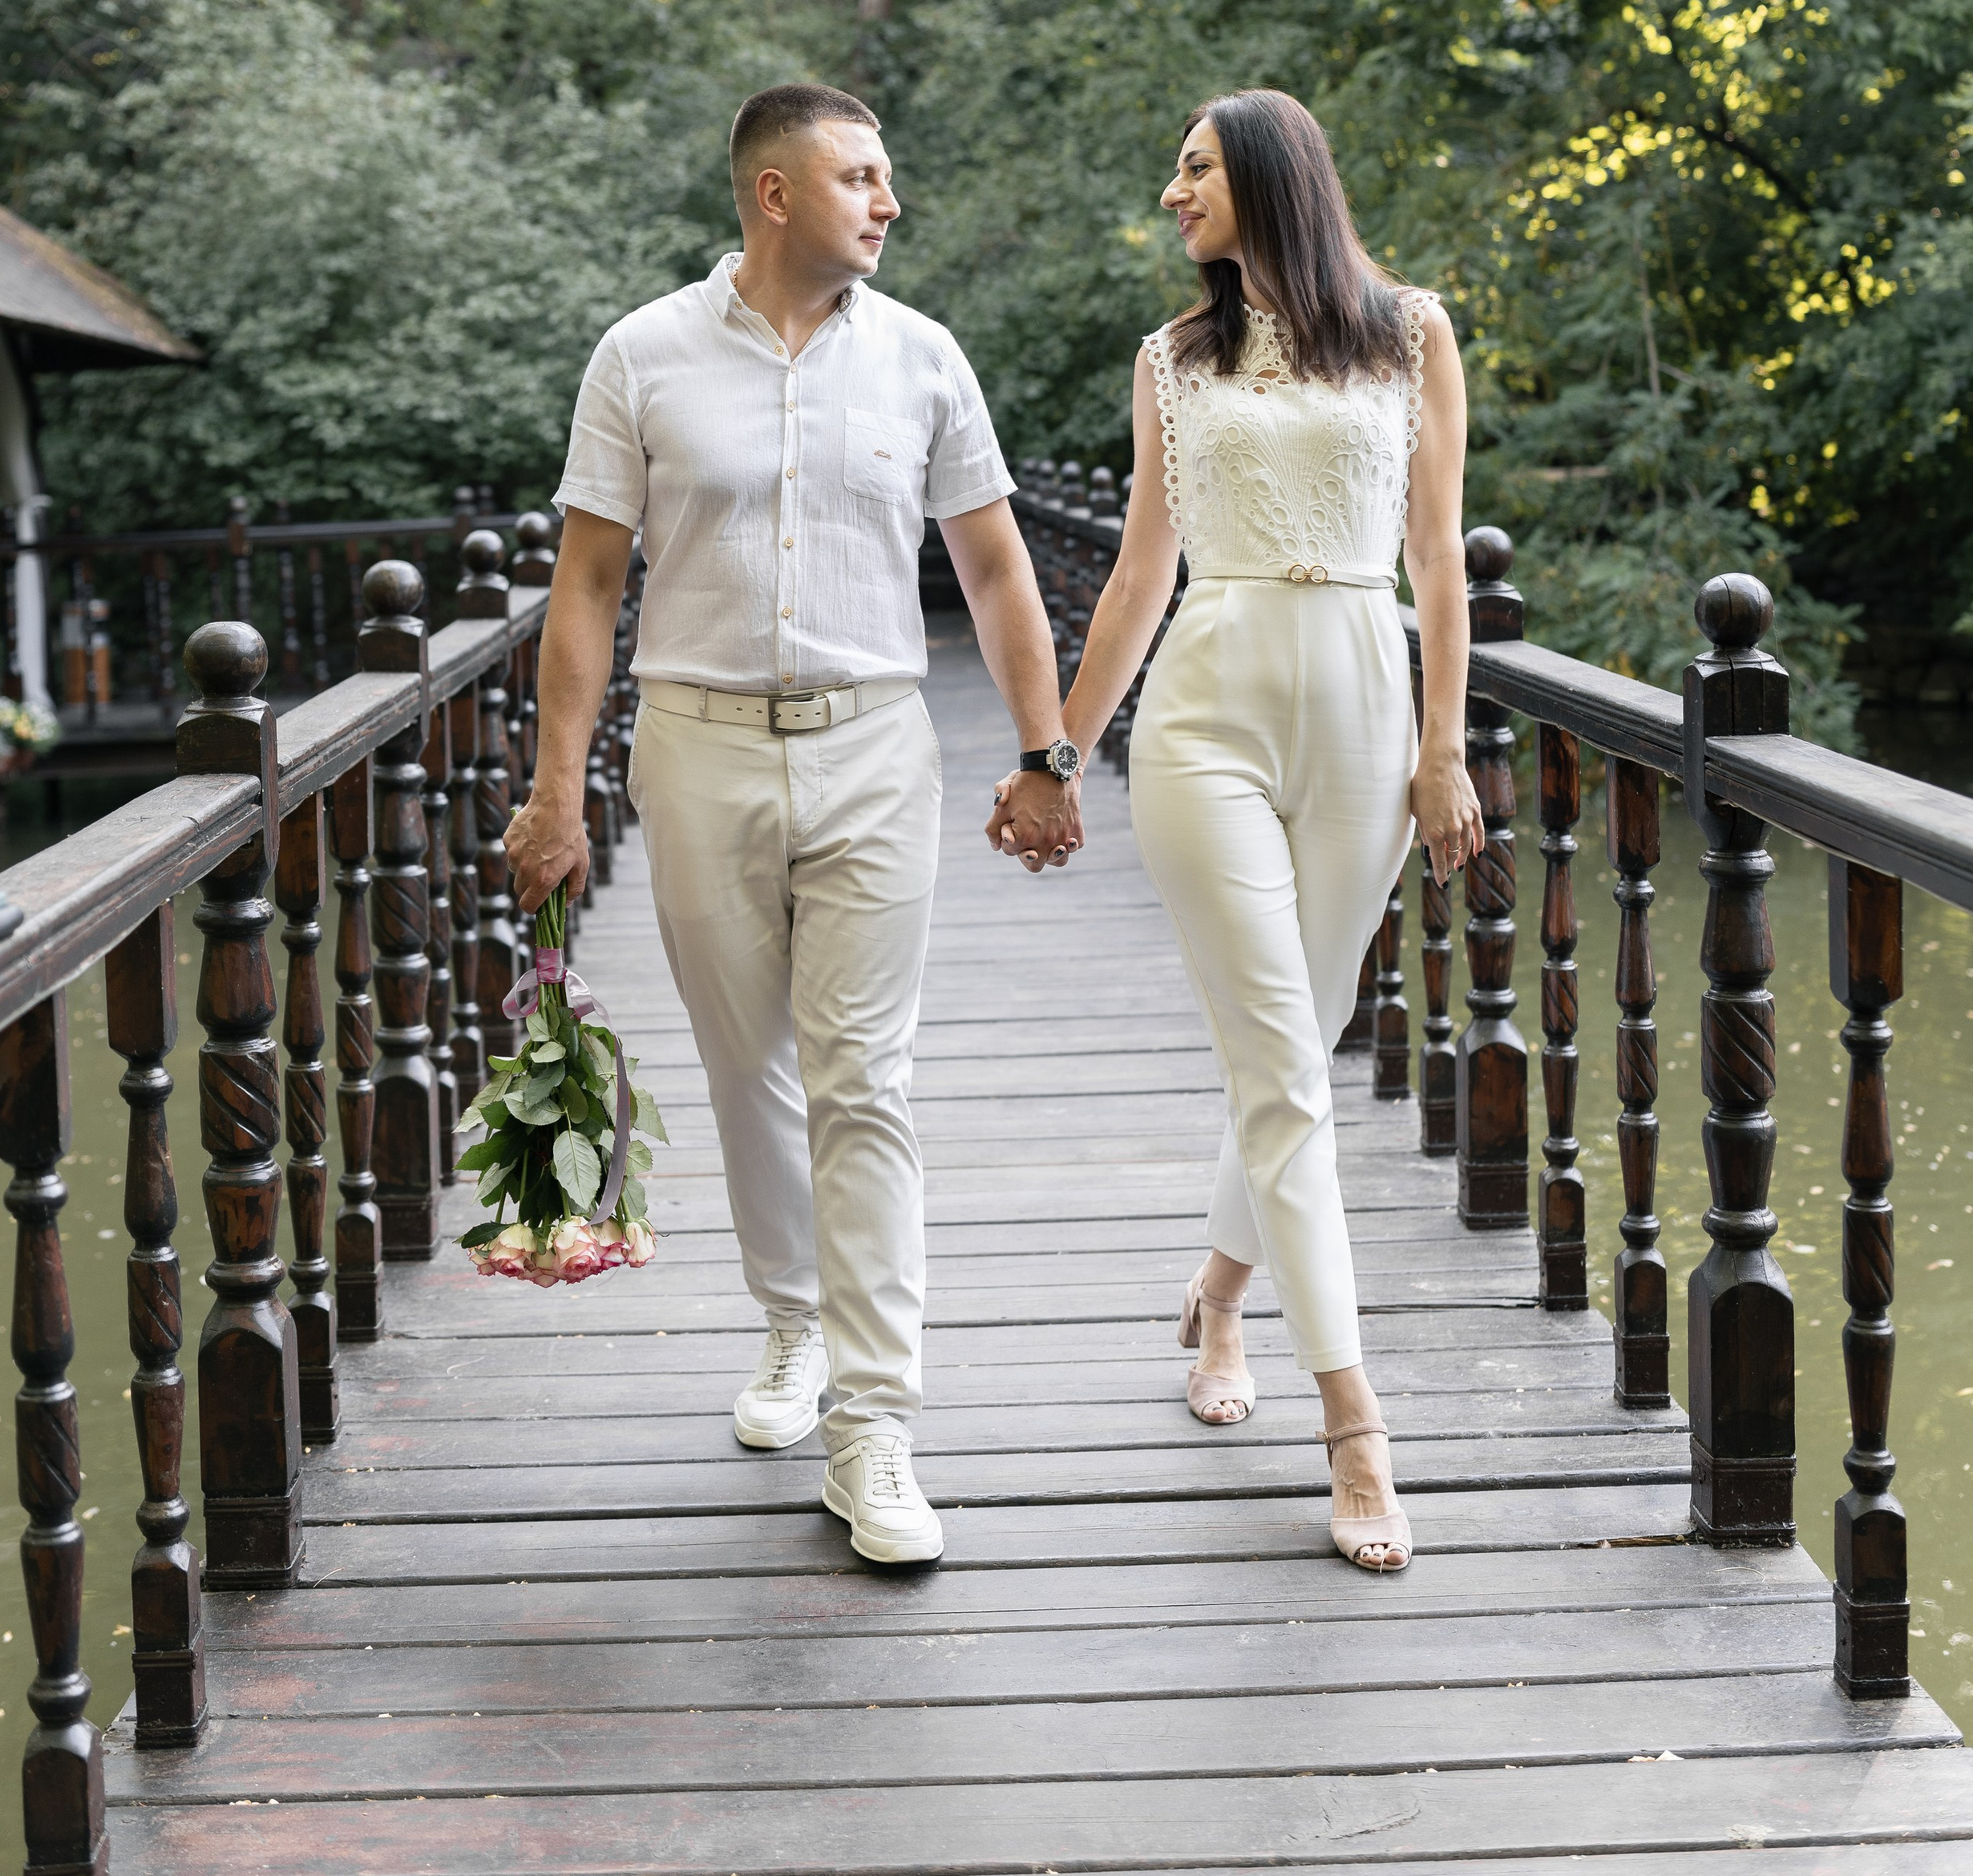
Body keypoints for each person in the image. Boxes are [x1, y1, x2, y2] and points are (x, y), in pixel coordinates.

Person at [503, 82, 1083, 1568]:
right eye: (861, 177)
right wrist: (557, 787)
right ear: (774, 195)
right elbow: (584, 589)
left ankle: (877, 1424)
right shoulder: (640, 356)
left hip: (879, 746)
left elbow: (1003, 570)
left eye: (889, 177)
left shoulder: (925, 359)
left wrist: (1048, 751)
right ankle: (793, 1325)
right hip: (696, 749)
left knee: (865, 1077)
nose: (889, 201)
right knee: (748, 1065)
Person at [1025, 90, 1482, 1573]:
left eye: (1196, 170)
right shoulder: (1172, 358)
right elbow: (1140, 570)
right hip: (1206, 706)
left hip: (1361, 697)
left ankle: (1221, 1295)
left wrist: (1444, 753)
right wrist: (1058, 754)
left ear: (1272, 179)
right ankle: (1355, 1426)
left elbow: (1438, 562)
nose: (1174, 194)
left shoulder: (1411, 333)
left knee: (1304, 1035)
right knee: (1280, 1059)